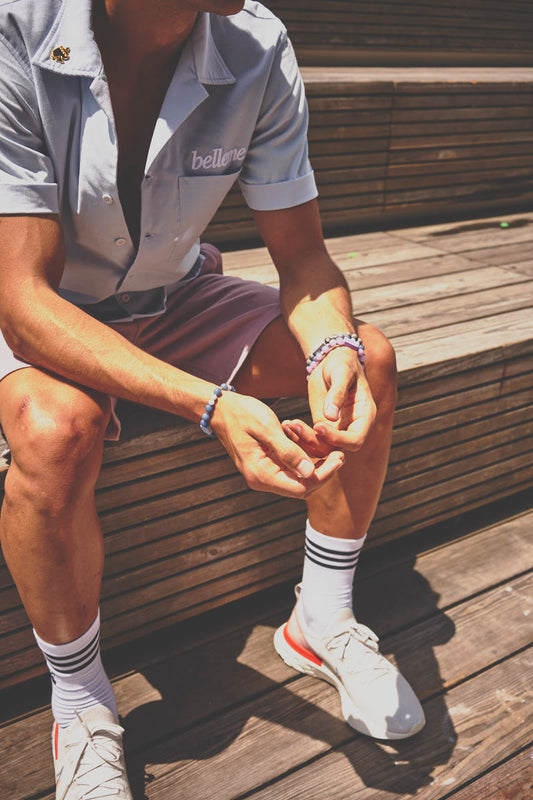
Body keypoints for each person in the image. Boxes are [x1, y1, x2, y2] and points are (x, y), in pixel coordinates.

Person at [0, 0, 425, 797]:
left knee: (365, 359)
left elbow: (303, 257)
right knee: (56, 430)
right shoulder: (16, 27)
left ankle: (322, 618)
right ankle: (81, 700)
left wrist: (330, 346)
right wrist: (209, 404)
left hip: (172, 296)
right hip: (36, 309)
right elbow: (23, 303)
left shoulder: (256, 41)